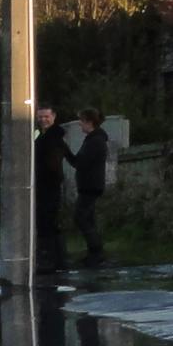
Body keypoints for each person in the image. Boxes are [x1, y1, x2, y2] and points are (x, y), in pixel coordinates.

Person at [74, 108, 112, 268]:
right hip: (90, 185)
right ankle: (94, 252)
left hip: (90, 185)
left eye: (82, 121)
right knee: (88, 219)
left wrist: (66, 153)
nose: (80, 124)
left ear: (89, 122)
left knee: (81, 218)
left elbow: (82, 162)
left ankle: (96, 253)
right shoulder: (94, 139)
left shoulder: (95, 141)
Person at [34, 105, 69, 276]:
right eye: (40, 116)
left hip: (49, 184)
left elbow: (54, 161)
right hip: (44, 184)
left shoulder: (54, 136)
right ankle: (58, 259)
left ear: (54, 116)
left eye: (46, 116)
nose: (43, 120)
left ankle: (51, 260)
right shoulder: (42, 134)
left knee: (48, 222)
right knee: (49, 223)